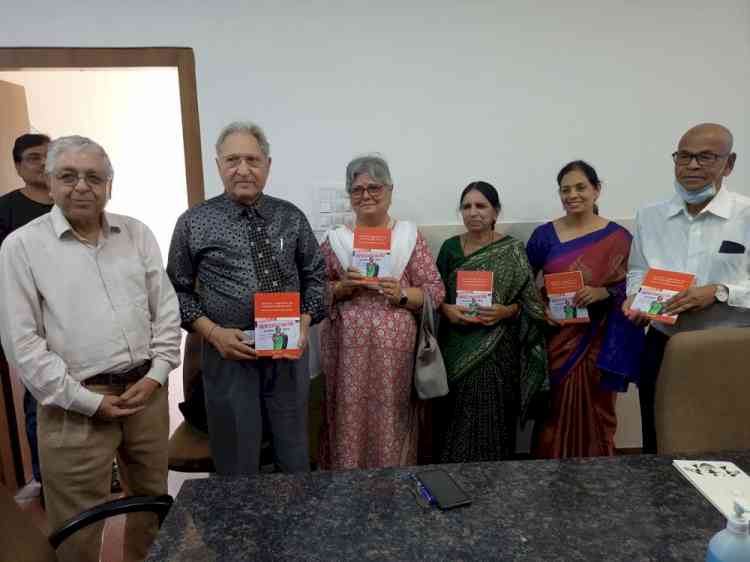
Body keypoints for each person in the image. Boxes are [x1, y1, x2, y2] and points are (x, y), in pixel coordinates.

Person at [0, 135, 181, 562]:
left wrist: (157, 375)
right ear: (49, 181)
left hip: (146, 397)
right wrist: (87, 402)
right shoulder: (22, 247)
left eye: (94, 177)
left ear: (109, 185)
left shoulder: (137, 234)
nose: (82, 186)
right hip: (73, 409)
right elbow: (21, 344)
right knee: (77, 528)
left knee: (153, 509)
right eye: (69, 176)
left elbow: (166, 312)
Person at [168, 121, 326, 475]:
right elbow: (175, 291)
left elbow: (316, 276)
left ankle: (293, 524)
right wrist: (212, 334)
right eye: (232, 160)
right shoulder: (194, 222)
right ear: (218, 166)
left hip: (287, 351)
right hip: (228, 351)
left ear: (268, 165)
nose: (243, 169)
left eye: (253, 160)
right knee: (237, 457)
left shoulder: (291, 217)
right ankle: (241, 530)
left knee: (293, 450)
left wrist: (303, 320)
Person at [624, 123, 748, 454]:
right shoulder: (650, 216)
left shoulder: (746, 215)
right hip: (663, 344)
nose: (692, 166)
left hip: (729, 348)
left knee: (728, 442)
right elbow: (638, 269)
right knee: (659, 438)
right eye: (684, 156)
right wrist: (635, 297)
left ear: (729, 163)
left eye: (705, 157)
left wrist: (720, 291)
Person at [318, 155, 445, 469]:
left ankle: (393, 489)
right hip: (346, 353)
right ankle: (347, 489)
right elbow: (314, 292)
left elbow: (436, 291)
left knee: (391, 416)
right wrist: (341, 288)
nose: (366, 195)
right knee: (349, 416)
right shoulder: (336, 240)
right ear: (349, 196)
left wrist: (402, 294)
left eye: (374, 187)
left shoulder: (409, 237)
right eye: (357, 189)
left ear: (390, 191)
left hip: (395, 356)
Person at [526, 161, 643, 458]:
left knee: (597, 410)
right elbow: (523, 283)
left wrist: (603, 291)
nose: (572, 195)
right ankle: (549, 474)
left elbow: (634, 289)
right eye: (565, 190)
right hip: (556, 337)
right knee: (552, 411)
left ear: (596, 189)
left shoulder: (618, 238)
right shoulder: (544, 235)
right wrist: (541, 310)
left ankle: (598, 475)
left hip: (600, 341)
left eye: (580, 187)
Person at [435, 181, 547, 462]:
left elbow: (531, 305)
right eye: (467, 206)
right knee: (456, 417)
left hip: (499, 350)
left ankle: (496, 481)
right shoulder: (450, 249)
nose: (473, 212)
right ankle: (456, 474)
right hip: (456, 349)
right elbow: (434, 294)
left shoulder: (512, 250)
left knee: (495, 417)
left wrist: (505, 311)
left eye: (481, 206)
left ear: (495, 211)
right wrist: (446, 309)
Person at [0, 133, 51, 496]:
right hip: (32, 322)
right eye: (34, 157)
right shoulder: (6, 211)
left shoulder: (71, 205)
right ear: (18, 166)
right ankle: (45, 477)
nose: (43, 164)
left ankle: (101, 468)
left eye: (49, 156)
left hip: (75, 321)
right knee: (40, 399)